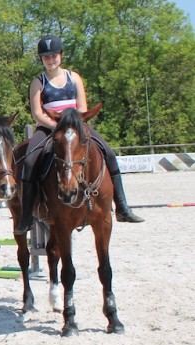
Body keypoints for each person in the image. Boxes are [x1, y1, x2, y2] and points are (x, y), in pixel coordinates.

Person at [15, 35, 144, 234]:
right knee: (30, 160)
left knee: (108, 153)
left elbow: (82, 108)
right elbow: (37, 113)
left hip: (76, 125)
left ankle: (122, 207)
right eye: (46, 57)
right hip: (49, 127)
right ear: (41, 59)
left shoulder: (73, 78)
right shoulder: (37, 82)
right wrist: (57, 126)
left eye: (54, 56)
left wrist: (70, 126)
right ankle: (26, 216)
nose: (50, 60)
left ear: (61, 56)